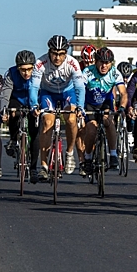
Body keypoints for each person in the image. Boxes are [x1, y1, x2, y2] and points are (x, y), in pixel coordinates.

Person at [29, 35, 86, 180]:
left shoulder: (72, 63)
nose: (57, 57)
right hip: (48, 93)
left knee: (72, 119)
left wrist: (80, 106)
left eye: (61, 54)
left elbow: (80, 87)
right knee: (47, 122)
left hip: (68, 92)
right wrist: (34, 104)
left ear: (66, 53)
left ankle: (69, 152)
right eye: (54, 53)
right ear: (49, 51)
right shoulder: (41, 62)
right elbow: (34, 86)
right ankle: (43, 165)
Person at [81, 47, 127, 175]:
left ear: (111, 63)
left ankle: (113, 155)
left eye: (107, 63)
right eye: (101, 62)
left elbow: (123, 93)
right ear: (96, 61)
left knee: (108, 121)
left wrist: (122, 107)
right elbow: (79, 89)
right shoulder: (88, 72)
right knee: (91, 129)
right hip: (90, 104)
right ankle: (88, 157)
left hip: (105, 103)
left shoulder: (115, 73)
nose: (104, 65)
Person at [0, 50, 40, 183]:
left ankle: (33, 168)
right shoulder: (10, 74)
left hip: (33, 101)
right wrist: (3, 111)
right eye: (23, 70)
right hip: (16, 99)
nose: (26, 73)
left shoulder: (39, 73)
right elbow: (5, 94)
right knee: (13, 112)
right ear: (18, 68)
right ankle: (12, 139)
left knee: (35, 133)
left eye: (29, 69)